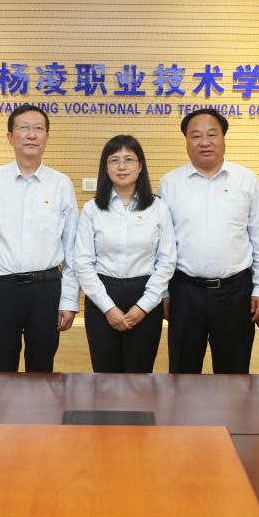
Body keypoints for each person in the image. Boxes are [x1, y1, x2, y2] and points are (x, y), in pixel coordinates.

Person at [158, 108, 259, 374]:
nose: (205, 142)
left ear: (223, 138)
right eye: (196, 136)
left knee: (234, 375)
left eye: (212, 134)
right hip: (184, 291)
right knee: (183, 374)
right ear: (186, 141)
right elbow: (162, 246)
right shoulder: (170, 183)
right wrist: (163, 292)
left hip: (236, 292)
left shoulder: (246, 180)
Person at [0, 104, 79, 372]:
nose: (31, 134)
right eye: (23, 128)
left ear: (47, 136)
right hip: (0, 290)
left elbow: (72, 248)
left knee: (42, 370)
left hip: (46, 290)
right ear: (10, 137)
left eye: (39, 128)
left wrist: (69, 299)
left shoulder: (61, 184)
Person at [74, 135, 176, 373]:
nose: (122, 166)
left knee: (139, 377)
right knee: (105, 376)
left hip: (146, 297)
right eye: (114, 160)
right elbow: (83, 263)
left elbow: (166, 261)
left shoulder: (158, 208)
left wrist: (143, 307)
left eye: (129, 159)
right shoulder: (92, 209)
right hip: (102, 298)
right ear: (106, 168)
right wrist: (108, 308)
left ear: (140, 166)